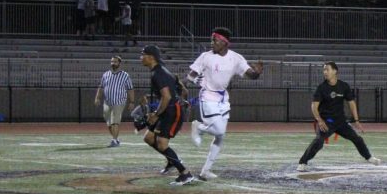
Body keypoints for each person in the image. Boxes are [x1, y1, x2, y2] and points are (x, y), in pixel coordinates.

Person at [187, 27, 263, 181]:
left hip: (223, 99)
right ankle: (198, 127)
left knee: (220, 136)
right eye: (212, 39)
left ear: (225, 42)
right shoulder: (205, 56)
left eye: (215, 40)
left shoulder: (236, 58)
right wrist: (196, 80)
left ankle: (205, 171)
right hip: (207, 96)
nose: (212, 42)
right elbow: (190, 75)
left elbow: (251, 75)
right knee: (219, 130)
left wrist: (258, 72)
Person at [296, 61, 381, 171]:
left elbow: (351, 103)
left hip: (341, 122)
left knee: (357, 138)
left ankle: (369, 157)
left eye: (327, 69)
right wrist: (320, 120)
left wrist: (356, 120)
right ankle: (303, 162)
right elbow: (314, 106)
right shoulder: (321, 88)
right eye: (324, 70)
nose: (325, 72)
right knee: (318, 141)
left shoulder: (344, 86)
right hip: (327, 121)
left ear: (335, 71)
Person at [140, 45, 195, 185]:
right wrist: (182, 99)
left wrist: (156, 114)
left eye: (143, 54)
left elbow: (166, 97)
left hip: (171, 110)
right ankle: (171, 161)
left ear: (151, 57)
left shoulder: (158, 73)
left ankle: (185, 173)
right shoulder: (161, 71)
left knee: (162, 144)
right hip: (169, 108)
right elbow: (183, 90)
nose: (141, 57)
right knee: (149, 137)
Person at [95, 55, 134, 147]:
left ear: (119, 63)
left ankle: (114, 140)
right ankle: (115, 138)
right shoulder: (106, 74)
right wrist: (97, 97)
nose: (113, 63)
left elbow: (130, 89)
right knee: (109, 122)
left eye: (115, 62)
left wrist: (132, 101)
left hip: (119, 101)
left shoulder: (125, 75)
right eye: (112, 61)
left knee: (115, 121)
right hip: (107, 102)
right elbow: (101, 87)